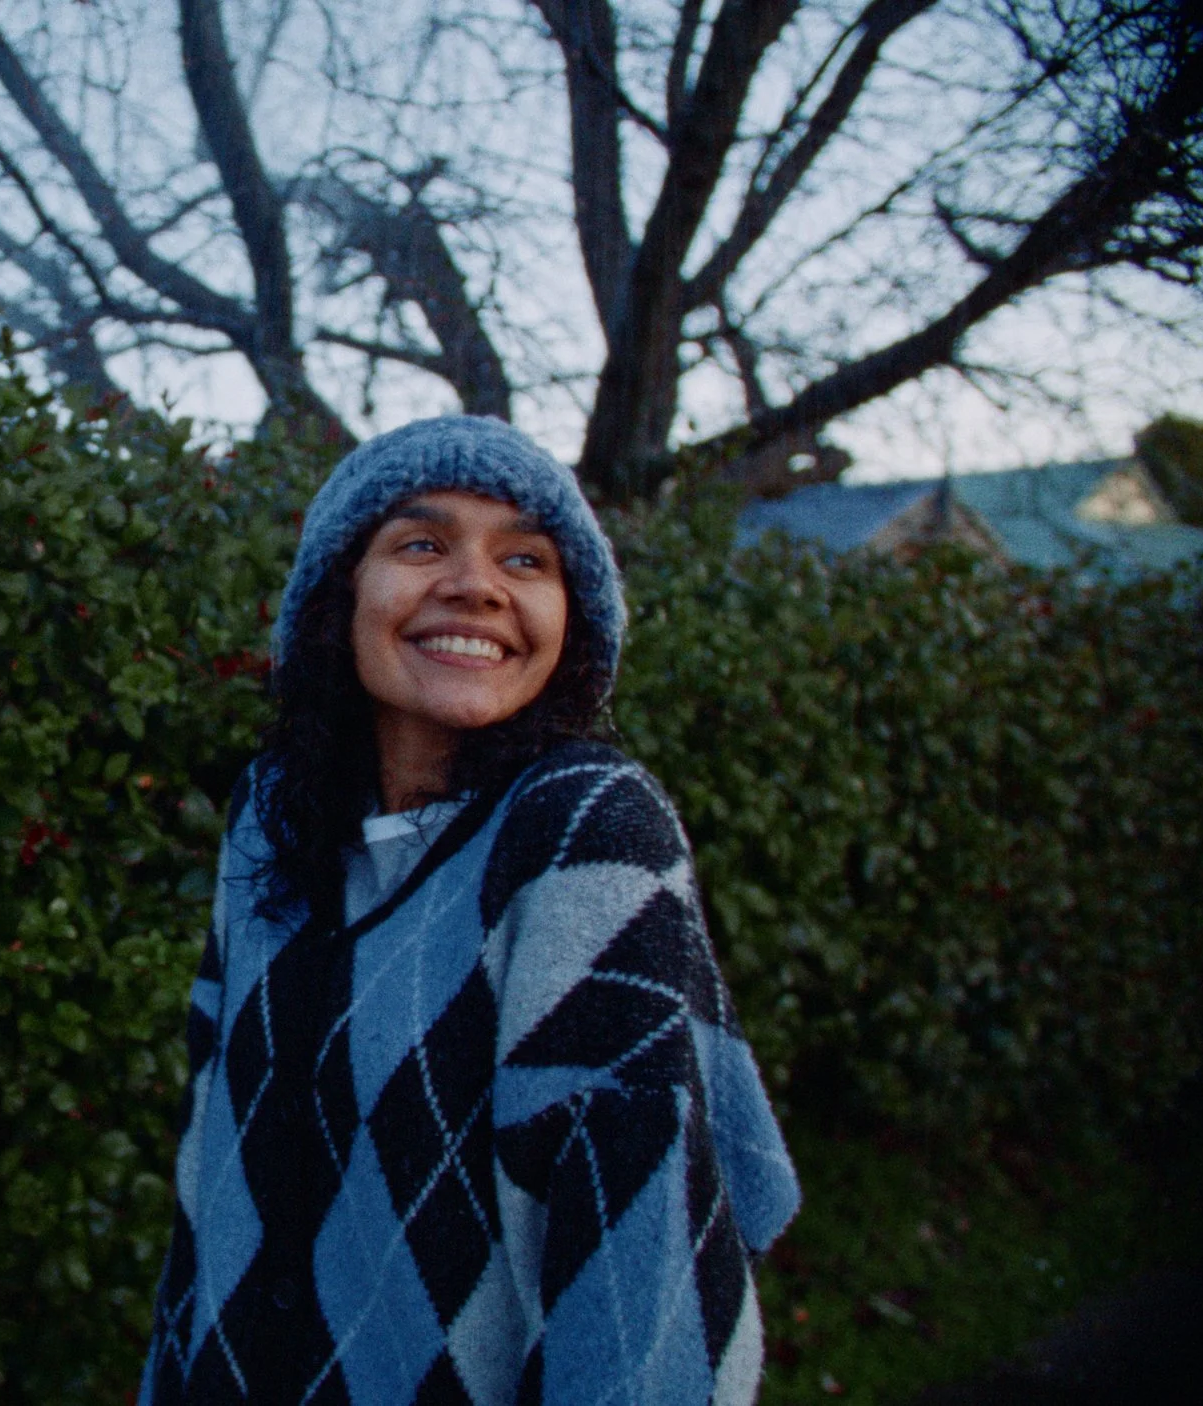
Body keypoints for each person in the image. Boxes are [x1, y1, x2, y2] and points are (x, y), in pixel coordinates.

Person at [139, 417, 800, 1406]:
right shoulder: (270, 828)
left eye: (525, 557)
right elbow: (212, 1166)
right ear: (338, 594)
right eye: (420, 542)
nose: (477, 584)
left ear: (570, 618)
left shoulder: (581, 830)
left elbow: (643, 1278)